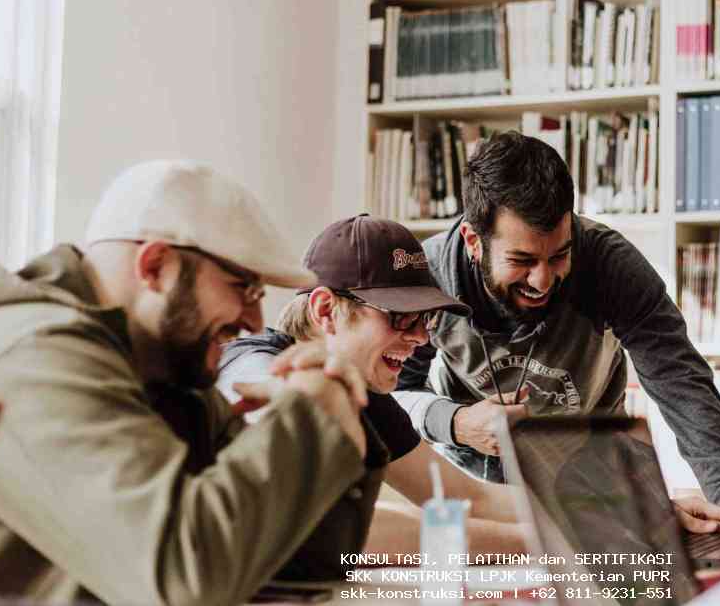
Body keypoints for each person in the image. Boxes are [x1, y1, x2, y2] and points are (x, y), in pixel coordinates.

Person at [0, 160, 381, 605]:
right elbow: (183, 579)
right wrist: (310, 416)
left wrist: (335, 408)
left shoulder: (159, 369)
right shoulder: (31, 356)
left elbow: (308, 566)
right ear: (154, 266)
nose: (256, 322)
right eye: (242, 288)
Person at [393, 131, 720, 526]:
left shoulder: (610, 265)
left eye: (559, 254)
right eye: (522, 260)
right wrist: (456, 423)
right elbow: (395, 396)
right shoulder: (428, 275)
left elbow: (682, 384)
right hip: (475, 489)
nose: (543, 280)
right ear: (474, 241)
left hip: (592, 478)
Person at [216, 214, 529, 555]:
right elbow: (325, 525)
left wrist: (583, 509)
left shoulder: (361, 391)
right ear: (325, 310)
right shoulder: (252, 365)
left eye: (426, 318)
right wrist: (536, 545)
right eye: (401, 316)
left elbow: (470, 497)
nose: (421, 337)